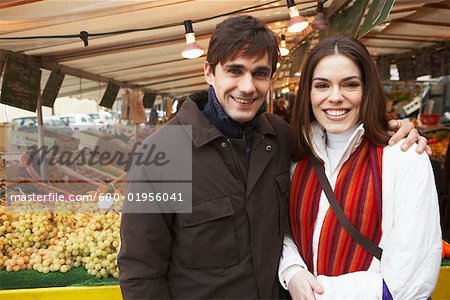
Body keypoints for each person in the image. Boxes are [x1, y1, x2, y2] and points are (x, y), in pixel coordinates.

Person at [118, 16, 428, 299]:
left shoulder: (282, 137)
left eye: (260, 73)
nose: (248, 87)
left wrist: (397, 128)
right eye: (235, 71)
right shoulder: (160, 154)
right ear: (209, 72)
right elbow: (141, 273)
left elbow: (341, 136)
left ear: (271, 78)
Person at [279, 36, 442, 300]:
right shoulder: (295, 158)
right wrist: (293, 269)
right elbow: (280, 228)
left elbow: (411, 280)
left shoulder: (403, 156)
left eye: (350, 85)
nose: (335, 97)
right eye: (322, 85)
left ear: (367, 90)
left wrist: (315, 293)